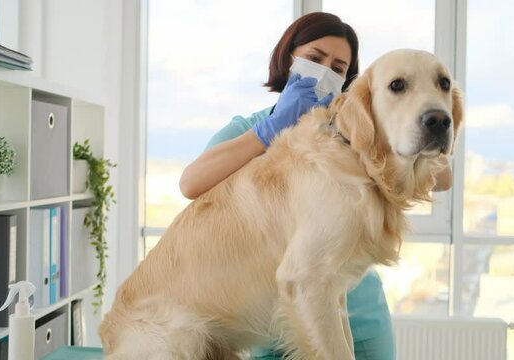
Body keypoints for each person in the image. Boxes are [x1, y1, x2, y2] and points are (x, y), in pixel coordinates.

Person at [180, 11, 451, 359]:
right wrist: (270, 129)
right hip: (279, 321)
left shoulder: (357, 133)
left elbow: (441, 177)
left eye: (339, 68)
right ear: (288, 57)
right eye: (314, 59)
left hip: (363, 315)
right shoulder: (249, 128)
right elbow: (191, 184)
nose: (326, 71)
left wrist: (403, 138)